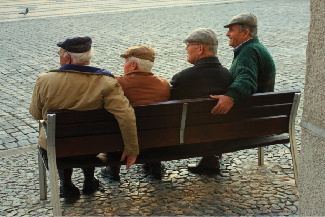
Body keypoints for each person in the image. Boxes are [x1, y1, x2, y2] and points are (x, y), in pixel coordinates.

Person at [30, 36, 139, 198]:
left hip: (56, 149)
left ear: (67, 57)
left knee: (57, 137)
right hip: (92, 149)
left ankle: (66, 184)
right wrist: (132, 149)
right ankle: (89, 180)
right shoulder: (106, 81)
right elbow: (126, 116)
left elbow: (36, 114)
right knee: (86, 139)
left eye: (59, 54)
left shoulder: (45, 80)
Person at [102, 45, 170, 180]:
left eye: (125, 62)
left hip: (120, 143)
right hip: (155, 142)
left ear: (133, 65)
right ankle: (154, 165)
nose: (123, 66)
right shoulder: (164, 85)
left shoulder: (117, 84)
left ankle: (113, 170)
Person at [170, 28, 233, 174]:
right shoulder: (228, 77)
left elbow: (168, 116)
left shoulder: (182, 79)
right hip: (224, 140)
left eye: (189, 45)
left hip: (187, 142)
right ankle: (210, 159)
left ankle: (152, 165)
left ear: (200, 49)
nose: (186, 48)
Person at [211, 12, 276, 115]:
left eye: (231, 30)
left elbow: (246, 79)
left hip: (252, 116)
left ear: (245, 33)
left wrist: (230, 96)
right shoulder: (257, 48)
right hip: (263, 113)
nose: (227, 34)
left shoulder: (249, 51)